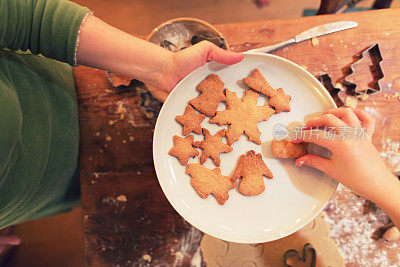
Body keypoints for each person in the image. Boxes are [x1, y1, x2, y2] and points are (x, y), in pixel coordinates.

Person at [0, 0, 399, 246]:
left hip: (48, 92)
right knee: (77, 196)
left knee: (77, 193)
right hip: (23, 197)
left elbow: (25, 17)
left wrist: (383, 185)